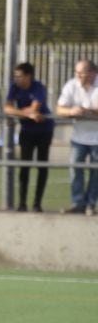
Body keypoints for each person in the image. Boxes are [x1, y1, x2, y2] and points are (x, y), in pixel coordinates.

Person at [4, 62, 54, 212]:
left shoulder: (38, 87)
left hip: (44, 130)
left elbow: (35, 108)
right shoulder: (14, 87)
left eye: (19, 76)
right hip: (26, 130)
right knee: (24, 167)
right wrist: (26, 114)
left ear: (28, 76)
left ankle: (37, 203)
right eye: (15, 76)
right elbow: (7, 108)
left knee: (42, 166)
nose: (16, 79)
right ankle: (22, 203)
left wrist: (16, 111)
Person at [55, 59, 98, 215]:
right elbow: (59, 109)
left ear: (93, 73)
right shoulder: (71, 85)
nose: (78, 76)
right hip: (78, 137)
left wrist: (89, 112)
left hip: (97, 139)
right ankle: (78, 203)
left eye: (82, 73)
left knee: (96, 173)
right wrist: (71, 111)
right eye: (77, 72)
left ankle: (90, 204)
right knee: (75, 170)